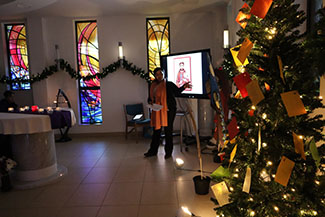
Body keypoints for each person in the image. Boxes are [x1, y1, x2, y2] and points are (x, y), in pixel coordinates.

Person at [144, 67, 191, 159]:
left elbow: (177, 91)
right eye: (157, 74)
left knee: (168, 131)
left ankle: (168, 152)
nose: (159, 76)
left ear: (163, 74)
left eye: (161, 74)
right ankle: (152, 151)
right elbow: (150, 97)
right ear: (155, 76)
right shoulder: (152, 85)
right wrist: (150, 101)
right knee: (156, 131)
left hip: (168, 110)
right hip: (157, 110)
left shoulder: (168, 84)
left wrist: (184, 87)